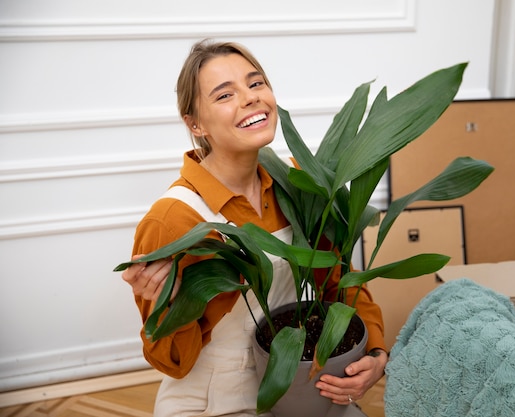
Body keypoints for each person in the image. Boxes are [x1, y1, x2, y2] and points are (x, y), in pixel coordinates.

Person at [121, 39, 388, 417]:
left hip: (302, 383)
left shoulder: (298, 182)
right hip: (215, 400)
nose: (250, 98)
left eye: (256, 83)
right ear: (195, 123)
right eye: (225, 94)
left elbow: (338, 281)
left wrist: (375, 353)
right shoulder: (174, 219)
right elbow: (172, 363)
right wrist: (168, 308)